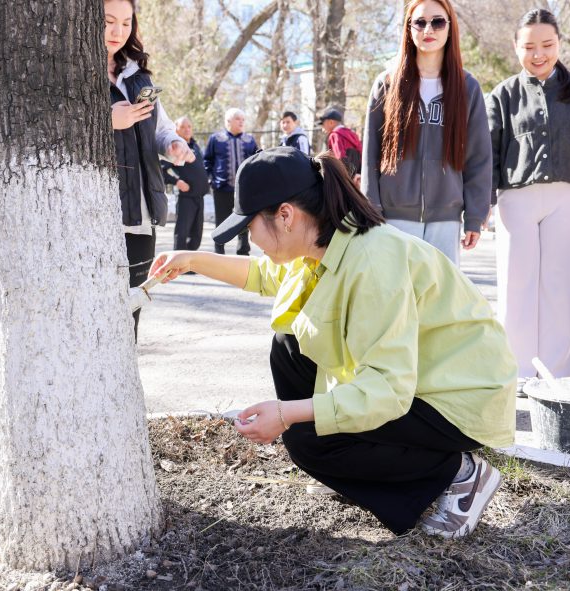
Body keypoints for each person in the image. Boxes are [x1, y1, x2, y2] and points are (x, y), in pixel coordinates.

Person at [148, 147, 517, 538]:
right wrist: (192, 261)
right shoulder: (326, 241)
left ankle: (460, 475)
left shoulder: (373, 262)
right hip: (420, 379)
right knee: (289, 347)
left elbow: (388, 390)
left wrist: (287, 414)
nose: (251, 239)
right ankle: (355, 466)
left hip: (459, 398)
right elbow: (265, 276)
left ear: (286, 215)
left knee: (310, 441)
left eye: (249, 226)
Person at [487, 9, 570, 390]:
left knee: (560, 287)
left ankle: (557, 378)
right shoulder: (503, 94)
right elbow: (489, 153)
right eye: (529, 47)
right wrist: (481, 205)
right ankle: (519, 374)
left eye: (547, 45)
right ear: (516, 47)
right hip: (516, 199)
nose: (538, 54)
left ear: (559, 44)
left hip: (566, 196)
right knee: (516, 287)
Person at [361, 0, 491, 266]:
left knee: (440, 291)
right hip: (393, 218)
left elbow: (479, 156)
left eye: (438, 22)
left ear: (450, 27)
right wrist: (371, 209)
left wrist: (475, 215)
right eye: (419, 22)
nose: (428, 29)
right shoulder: (388, 84)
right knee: (397, 290)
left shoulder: (467, 87)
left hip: (446, 219)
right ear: (409, 29)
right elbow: (371, 152)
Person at [105, 0, 194, 338]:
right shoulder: (73, 71)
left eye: (126, 23)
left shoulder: (137, 76)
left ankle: (123, 370)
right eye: (108, 21)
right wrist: (106, 121)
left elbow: (161, 129)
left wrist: (174, 145)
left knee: (130, 313)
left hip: (141, 216)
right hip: (101, 213)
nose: (118, 31)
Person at [204, 108, 258, 255]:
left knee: (243, 220)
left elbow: (256, 161)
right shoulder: (216, 139)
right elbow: (207, 160)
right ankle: (219, 252)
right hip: (221, 187)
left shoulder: (250, 140)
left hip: (244, 189)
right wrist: (211, 180)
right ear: (228, 121)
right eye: (238, 119)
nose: (242, 122)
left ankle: (243, 252)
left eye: (243, 119)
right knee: (221, 221)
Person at [162, 117, 209, 251]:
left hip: (199, 197)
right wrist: (177, 181)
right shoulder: (174, 148)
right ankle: (178, 259)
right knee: (182, 233)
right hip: (186, 198)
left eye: (189, 126)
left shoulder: (194, 145)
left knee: (197, 234)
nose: (187, 129)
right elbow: (160, 171)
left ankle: (189, 261)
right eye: (182, 127)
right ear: (176, 130)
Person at [318, 107, 362, 185]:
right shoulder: (352, 134)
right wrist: (358, 173)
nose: (322, 128)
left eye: (323, 124)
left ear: (331, 122)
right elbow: (361, 152)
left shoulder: (334, 135)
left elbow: (340, 156)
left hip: (344, 175)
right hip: (357, 175)